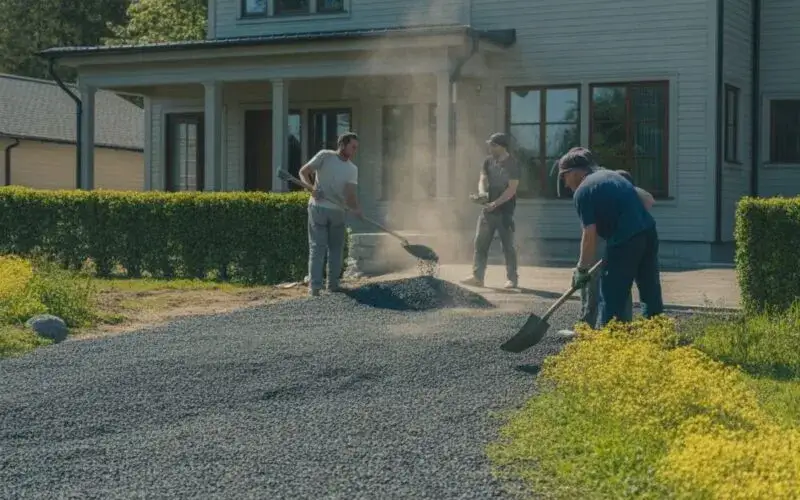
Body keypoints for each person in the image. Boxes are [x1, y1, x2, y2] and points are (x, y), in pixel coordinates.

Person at [556, 146, 664, 328]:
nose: (566, 184)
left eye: (564, 177)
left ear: (574, 172)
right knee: (650, 289)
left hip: (625, 240)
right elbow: (647, 201)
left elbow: (589, 235)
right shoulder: (613, 176)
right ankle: (657, 334)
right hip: (648, 233)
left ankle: (609, 338)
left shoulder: (583, 191)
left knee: (612, 293)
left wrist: (582, 269)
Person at [298, 132, 362, 297]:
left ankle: (332, 285)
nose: (354, 150)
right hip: (318, 208)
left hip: (338, 212)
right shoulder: (325, 156)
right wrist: (311, 189)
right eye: (352, 147)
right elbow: (304, 172)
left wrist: (356, 209)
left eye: (356, 148)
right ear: (342, 144)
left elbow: (350, 195)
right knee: (318, 248)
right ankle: (315, 288)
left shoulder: (352, 169)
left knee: (335, 249)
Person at [460, 132, 520, 289]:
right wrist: (481, 193)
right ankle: (477, 277)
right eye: (490, 145)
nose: (490, 147)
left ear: (502, 146)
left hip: (505, 212)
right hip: (487, 211)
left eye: (493, 145)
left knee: (507, 246)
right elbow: (482, 178)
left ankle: (512, 279)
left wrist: (495, 203)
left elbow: (512, 189)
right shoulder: (488, 161)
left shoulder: (512, 164)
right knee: (480, 244)